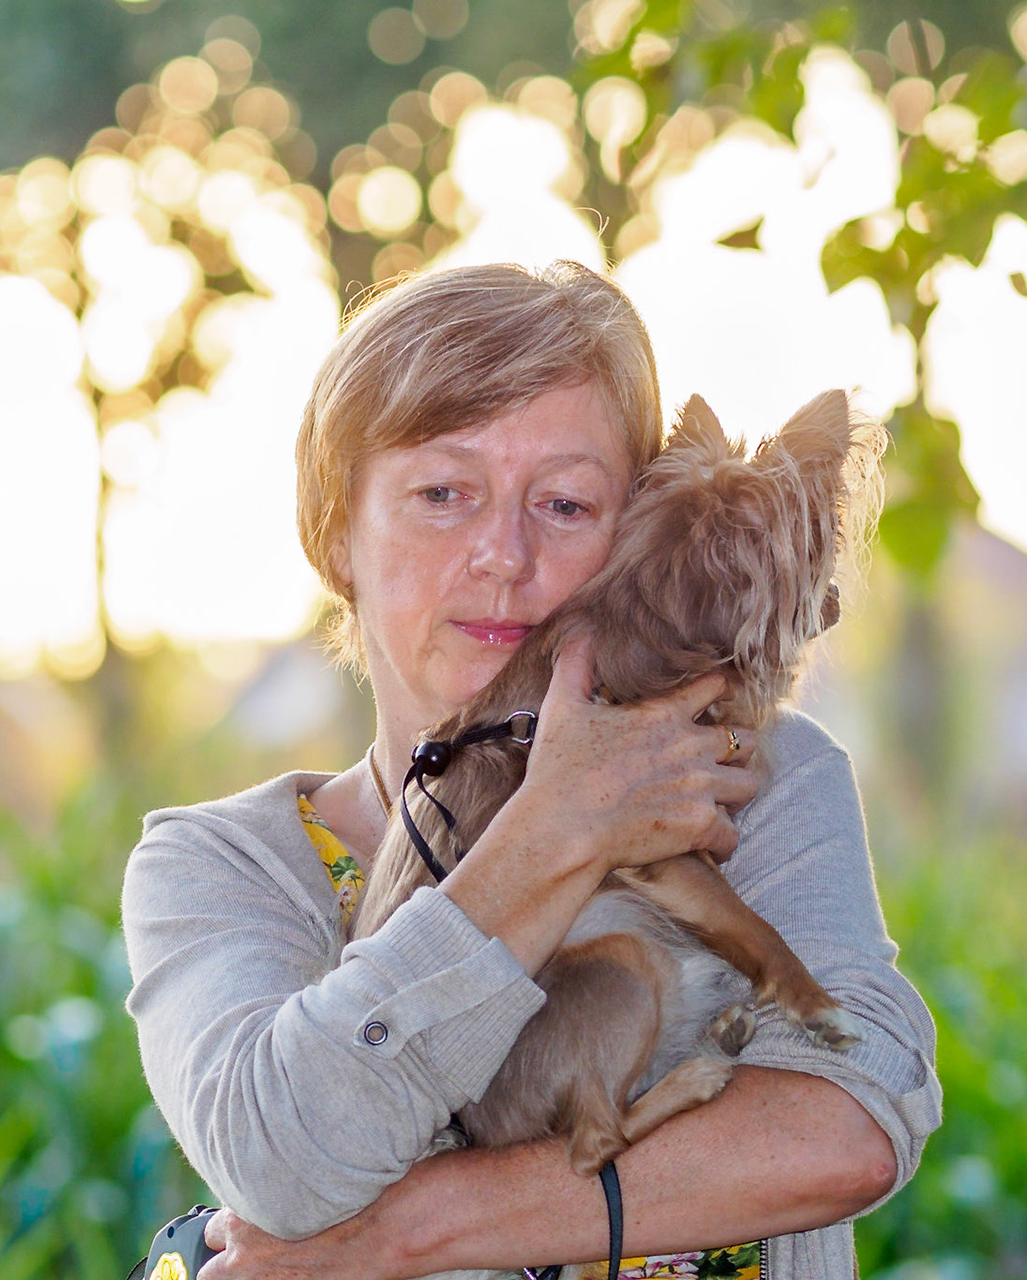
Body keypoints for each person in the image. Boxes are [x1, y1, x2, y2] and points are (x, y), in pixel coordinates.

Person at [120, 261, 941, 1279]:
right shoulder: (224, 865)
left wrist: (401, 1226)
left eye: (562, 503)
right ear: (336, 534)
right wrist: (556, 828)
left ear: (636, 526)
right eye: (442, 492)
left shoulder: (751, 772)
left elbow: (846, 1123)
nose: (503, 553)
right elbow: (282, 1163)